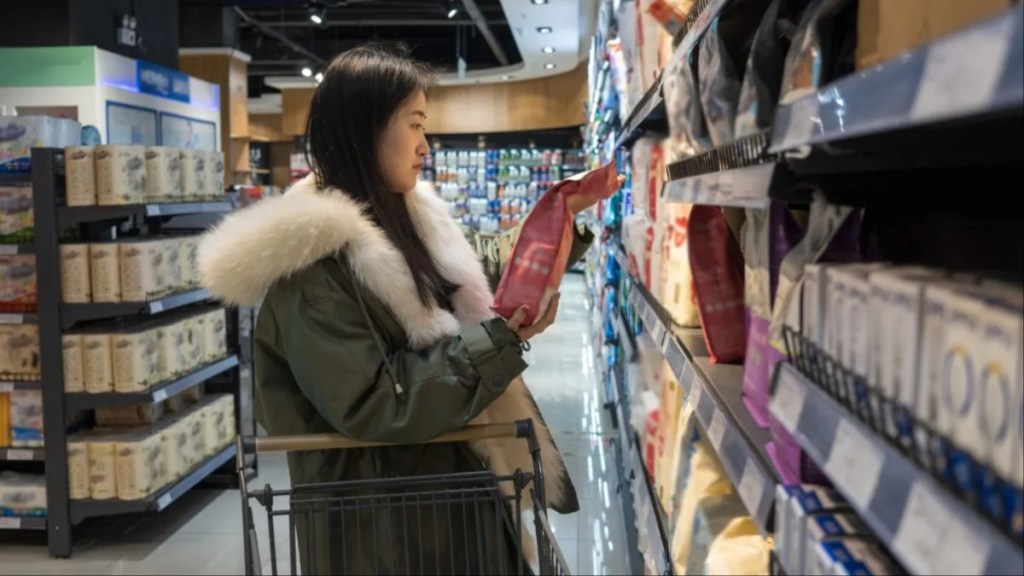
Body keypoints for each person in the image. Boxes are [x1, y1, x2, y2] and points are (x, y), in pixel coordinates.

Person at [198, 43, 620, 575]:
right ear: (365, 128)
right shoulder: (313, 267)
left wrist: (561, 219)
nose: (426, 143)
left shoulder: (405, 217)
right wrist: (497, 345)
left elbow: (472, 267)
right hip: (382, 528)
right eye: (415, 124)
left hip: (444, 498)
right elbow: (374, 403)